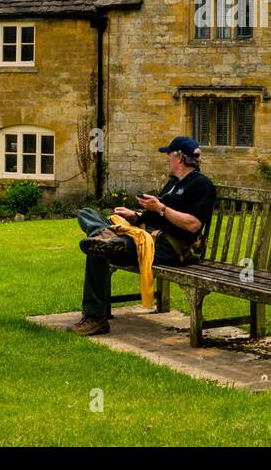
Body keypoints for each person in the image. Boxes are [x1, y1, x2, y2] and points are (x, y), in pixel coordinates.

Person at [72, 136, 216, 336]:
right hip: (147, 237)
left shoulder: (201, 185)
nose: (166, 160)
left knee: (98, 249)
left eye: (168, 155)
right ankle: (104, 236)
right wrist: (136, 216)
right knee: (87, 214)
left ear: (179, 158)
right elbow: (157, 215)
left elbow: (193, 225)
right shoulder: (173, 182)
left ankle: (95, 318)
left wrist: (161, 208)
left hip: (169, 247)